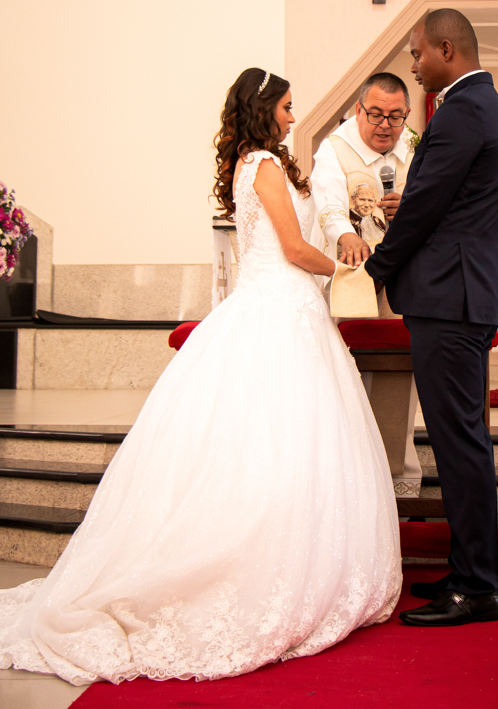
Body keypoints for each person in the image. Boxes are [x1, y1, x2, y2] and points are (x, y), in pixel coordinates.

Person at [0, 68, 401, 685]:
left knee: (277, 442)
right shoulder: (264, 164)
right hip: (279, 308)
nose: (296, 118)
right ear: (264, 110)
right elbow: (293, 249)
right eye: (288, 108)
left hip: (279, 308)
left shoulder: (252, 162)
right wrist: (353, 269)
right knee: (278, 440)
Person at [365, 9, 498, 628]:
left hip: (449, 300)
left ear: (446, 49)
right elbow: (447, 195)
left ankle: (477, 585)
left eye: (416, 52)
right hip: (456, 294)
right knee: (461, 441)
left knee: (459, 444)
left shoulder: (462, 110)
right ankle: (467, 573)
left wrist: (375, 268)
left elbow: (428, 205)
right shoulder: (480, 107)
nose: (412, 63)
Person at [310, 71, 422, 497]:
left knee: (397, 378)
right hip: (353, 277)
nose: (384, 126)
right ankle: (344, 479)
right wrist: (346, 234)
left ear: (406, 115)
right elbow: (328, 199)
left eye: (395, 117)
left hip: (404, 280)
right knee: (345, 378)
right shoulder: (335, 149)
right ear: (359, 109)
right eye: (375, 114)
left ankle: (397, 476)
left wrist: (409, 209)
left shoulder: (415, 146)